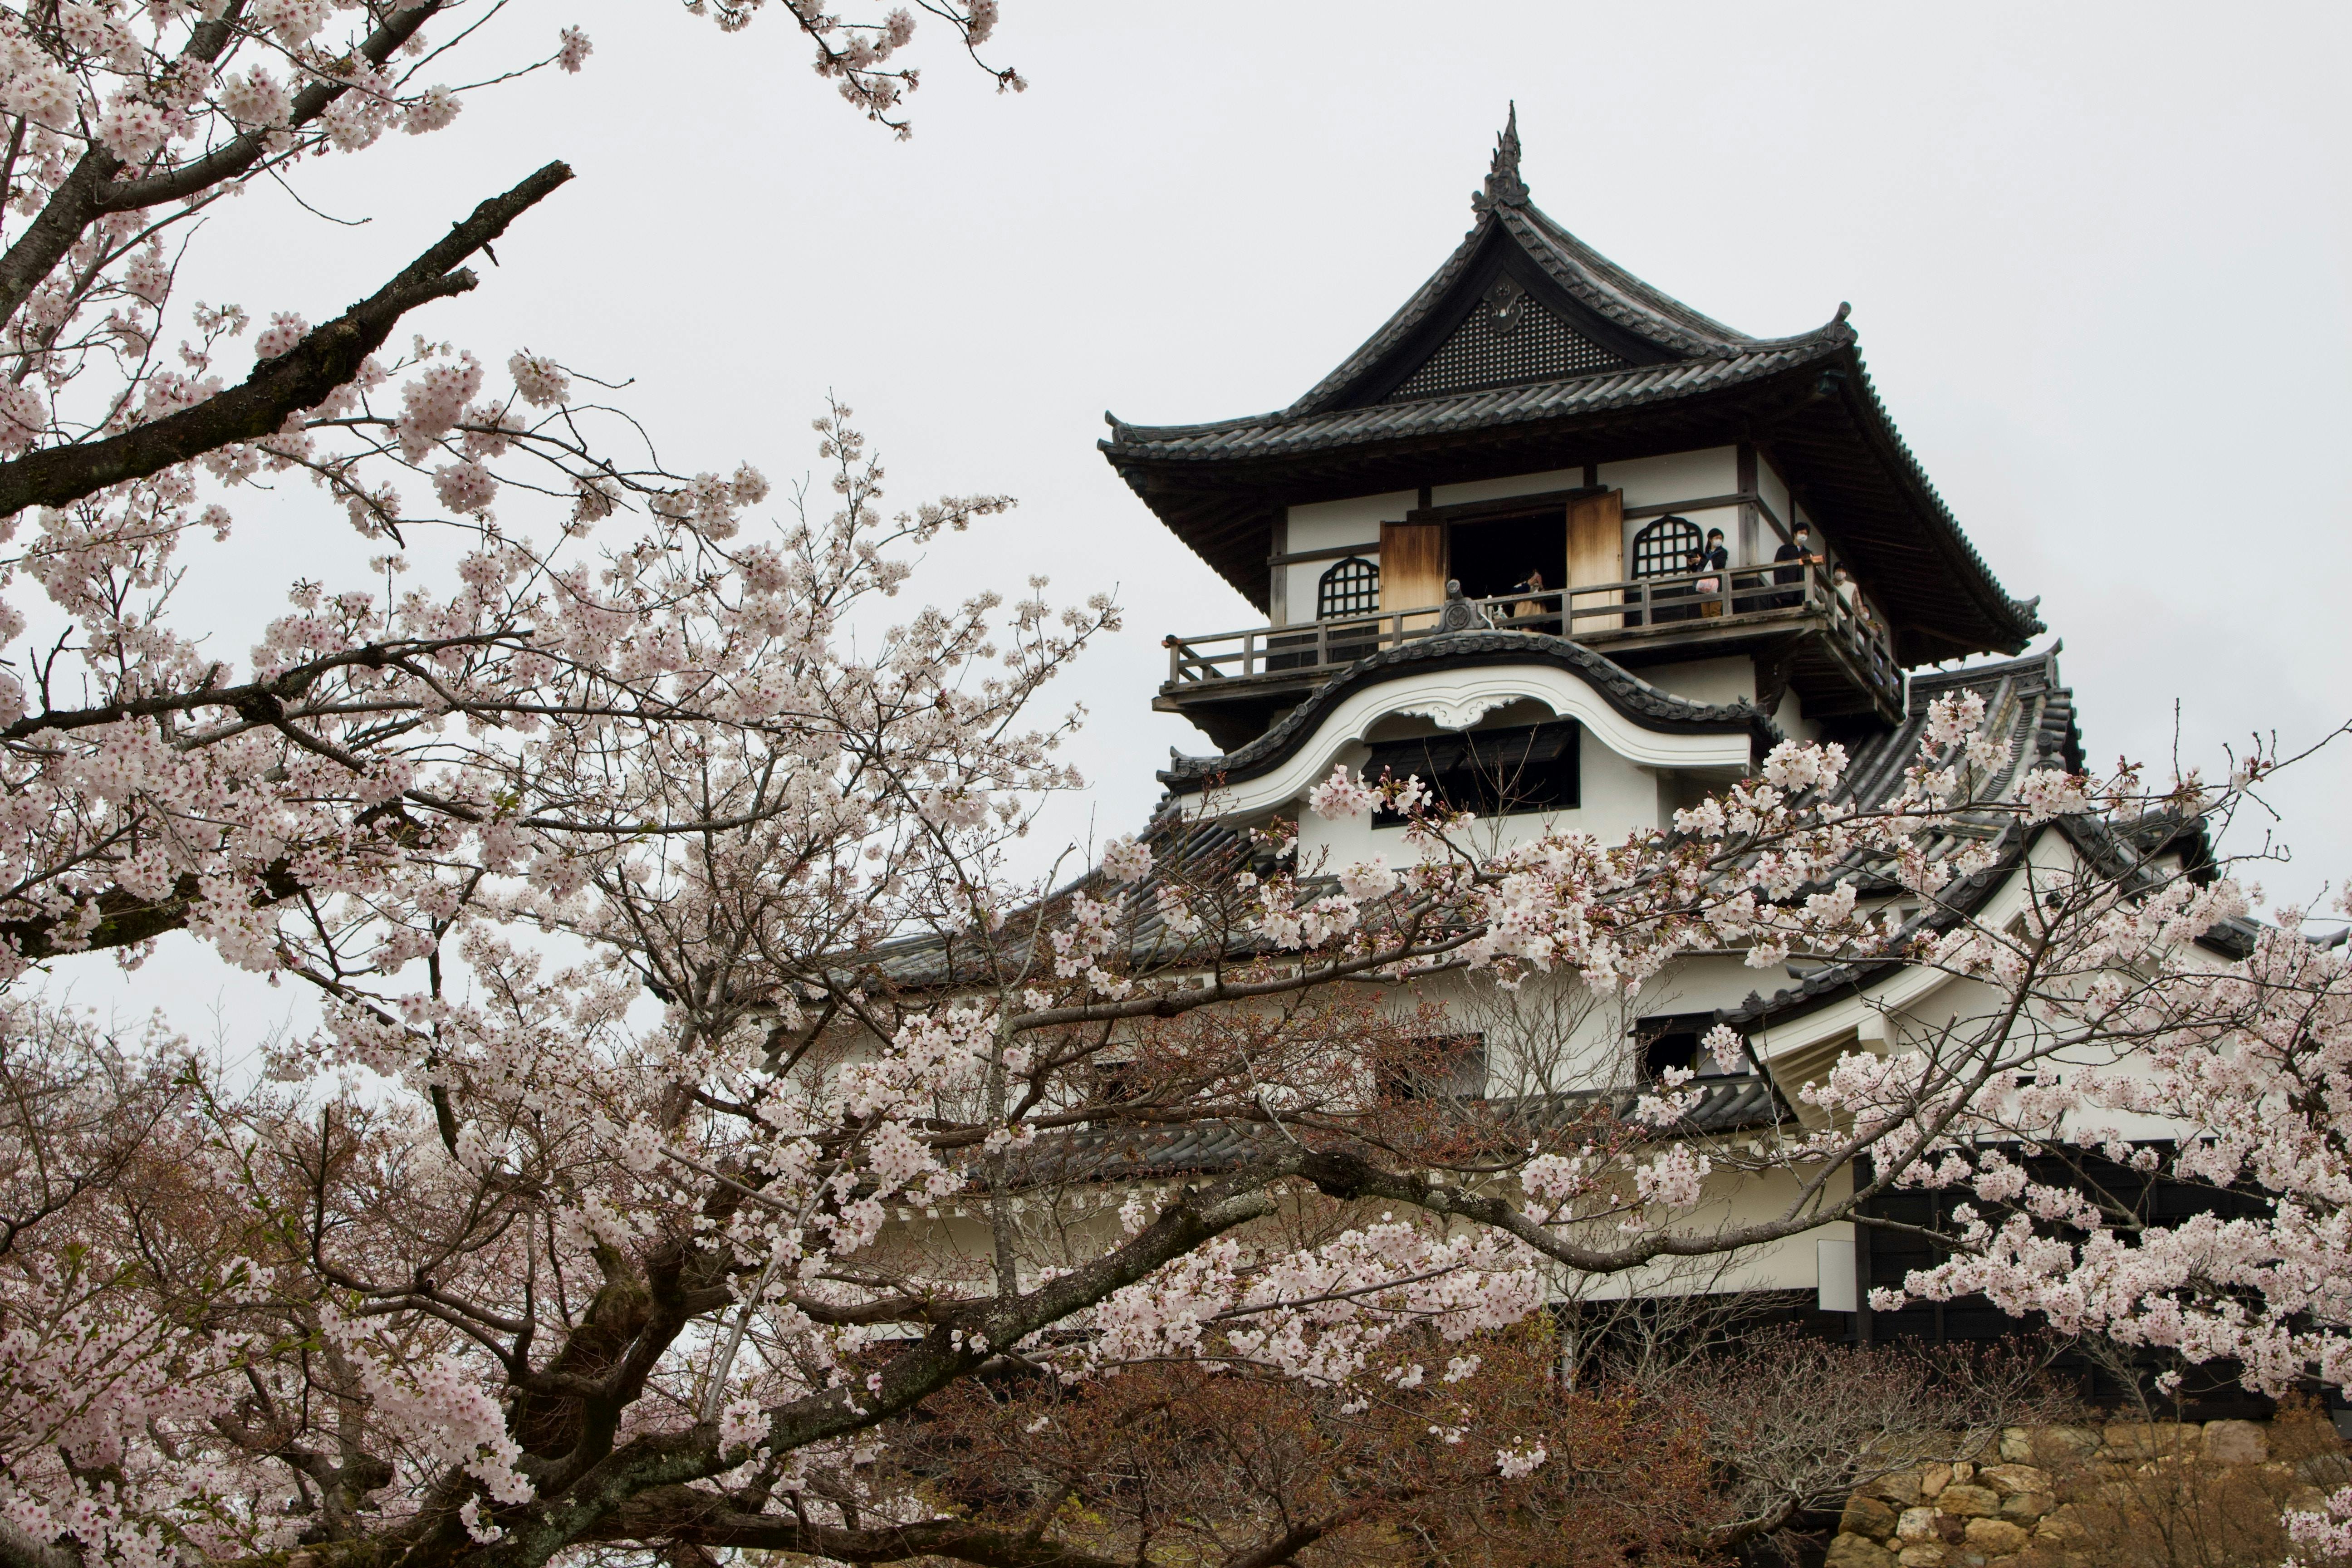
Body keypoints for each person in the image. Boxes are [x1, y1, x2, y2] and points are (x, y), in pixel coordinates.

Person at [1770, 524, 1822, 608]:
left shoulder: (1808, 553)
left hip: (1802, 594)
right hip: (1787, 592)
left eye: (1806, 534)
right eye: (1801, 533)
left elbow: (1813, 574)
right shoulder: (1784, 550)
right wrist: (1780, 590)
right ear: (1795, 534)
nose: (1804, 536)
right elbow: (1778, 571)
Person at [1693, 527, 1729, 617]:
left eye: (1721, 538)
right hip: (1704, 584)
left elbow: (1717, 564)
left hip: (1717, 584)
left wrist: (1700, 561)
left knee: (1715, 610)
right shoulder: (1705, 554)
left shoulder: (1723, 553)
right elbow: (1698, 570)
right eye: (1717, 538)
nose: (1719, 540)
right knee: (1705, 613)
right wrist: (1692, 564)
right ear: (1710, 539)